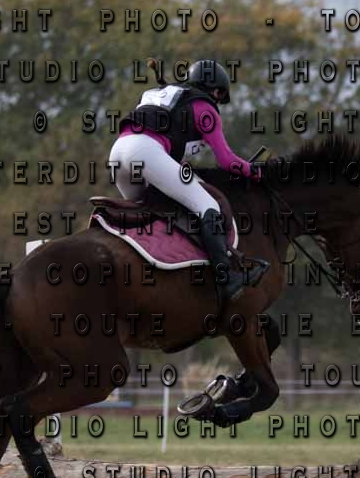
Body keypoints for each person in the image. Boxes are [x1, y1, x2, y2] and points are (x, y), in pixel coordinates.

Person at [109, 59, 265, 302]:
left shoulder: (161, 94)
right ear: (216, 90)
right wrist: (256, 172)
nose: (218, 101)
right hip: (145, 151)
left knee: (148, 209)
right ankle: (226, 280)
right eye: (219, 96)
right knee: (208, 206)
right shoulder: (205, 108)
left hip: (118, 155)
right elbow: (226, 161)